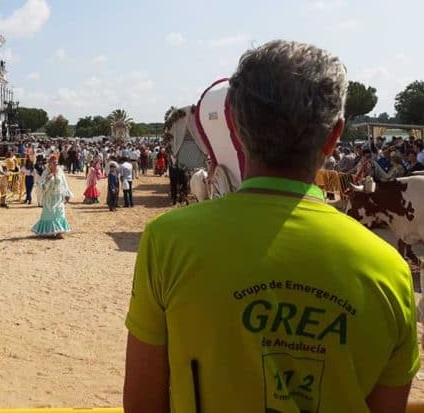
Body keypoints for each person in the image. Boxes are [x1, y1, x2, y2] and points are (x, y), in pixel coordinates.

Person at [124, 40, 419, 413]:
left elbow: (141, 404)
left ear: (233, 125)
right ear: (334, 135)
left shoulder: (167, 241)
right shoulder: (389, 268)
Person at [31, 155, 72, 238]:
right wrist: (47, 179)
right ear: (50, 163)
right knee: (50, 214)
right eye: (54, 162)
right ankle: (50, 231)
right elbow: (40, 184)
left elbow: (64, 183)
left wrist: (67, 194)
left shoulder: (60, 172)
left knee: (60, 213)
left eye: (56, 162)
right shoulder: (46, 172)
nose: (56, 163)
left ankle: (59, 232)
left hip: (58, 197)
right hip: (49, 198)